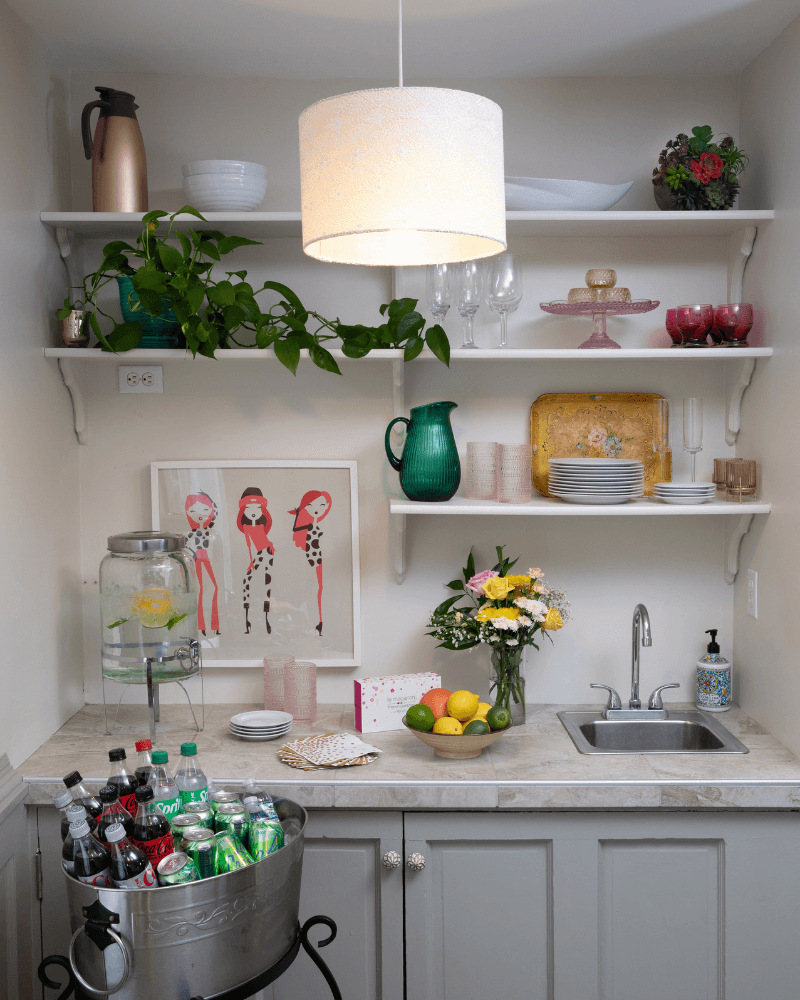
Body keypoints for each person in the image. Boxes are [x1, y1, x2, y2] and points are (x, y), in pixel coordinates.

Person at [288, 490, 332, 636]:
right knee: (313, 591)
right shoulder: (307, 526)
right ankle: (314, 627)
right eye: (311, 506)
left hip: (318, 559)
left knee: (319, 589)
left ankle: (319, 625)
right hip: (310, 560)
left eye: (321, 505)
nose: (316, 510)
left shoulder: (321, 524)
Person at [237, 487, 275, 634]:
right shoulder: (245, 527)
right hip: (258, 553)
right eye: (248, 508)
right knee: (248, 582)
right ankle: (248, 620)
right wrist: (251, 562)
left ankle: (266, 619)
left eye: (258, 508)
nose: (253, 511)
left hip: (267, 551)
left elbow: (265, 534)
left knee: (266, 585)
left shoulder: (262, 524)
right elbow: (248, 546)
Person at [184, 492, 220, 636]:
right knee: (199, 591)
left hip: (207, 560)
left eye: (205, 510)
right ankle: (201, 626)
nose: (199, 515)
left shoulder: (210, 533)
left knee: (214, 588)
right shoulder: (190, 535)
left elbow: (215, 513)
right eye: (193, 511)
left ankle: (214, 625)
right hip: (197, 561)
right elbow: (186, 548)